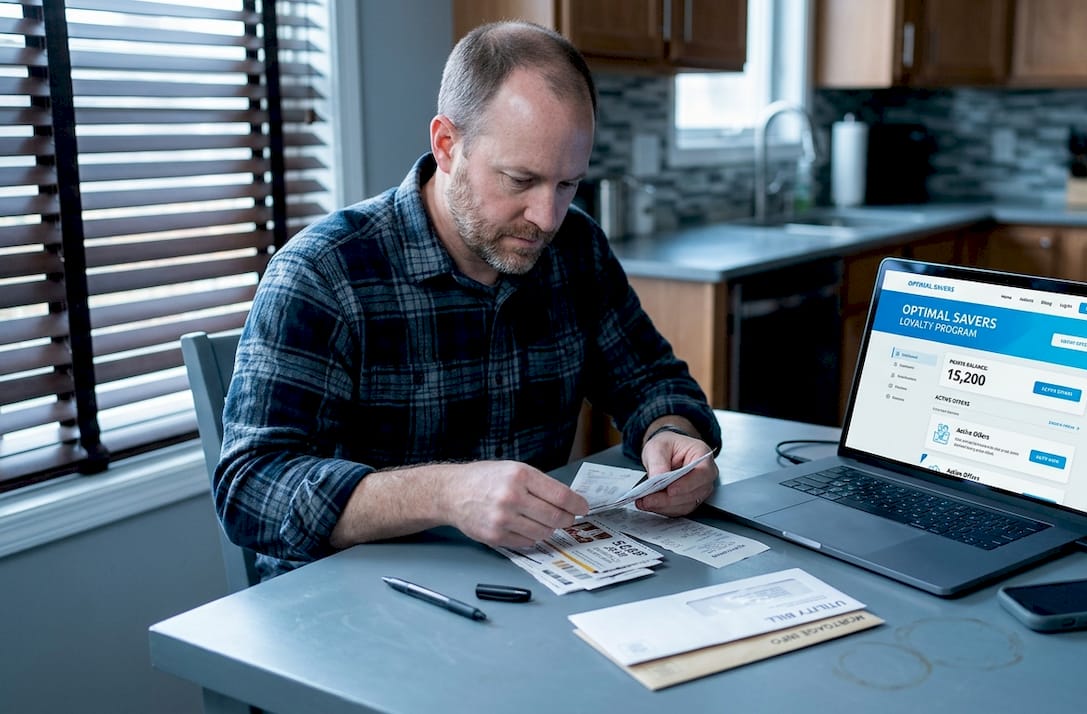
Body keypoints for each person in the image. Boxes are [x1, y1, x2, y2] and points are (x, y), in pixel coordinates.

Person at [216, 20, 721, 580]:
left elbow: (651, 378)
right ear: (447, 146)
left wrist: (671, 433)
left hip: (524, 585)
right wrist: (448, 493)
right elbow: (249, 491)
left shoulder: (575, 248)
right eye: (519, 179)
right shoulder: (323, 273)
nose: (546, 218)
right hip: (349, 607)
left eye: (567, 184)